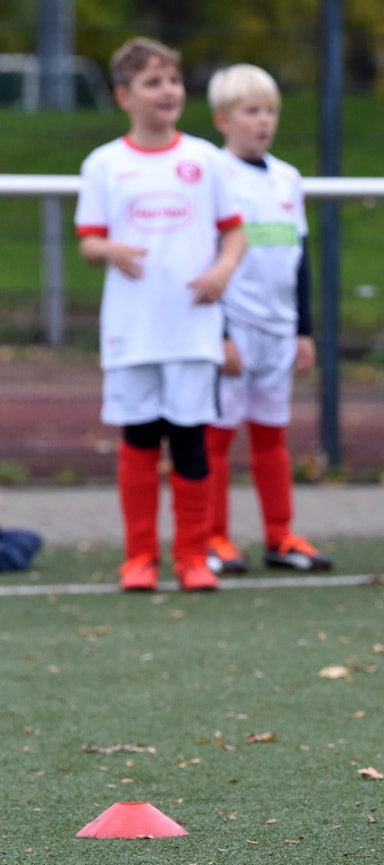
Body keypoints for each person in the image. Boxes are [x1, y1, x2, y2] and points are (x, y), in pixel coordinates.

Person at [75, 36, 245, 593]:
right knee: (139, 441)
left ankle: (192, 557)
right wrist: (111, 250)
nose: (167, 90)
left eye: (172, 79)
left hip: (192, 330)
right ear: (124, 95)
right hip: (133, 331)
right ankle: (138, 558)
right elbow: (89, 242)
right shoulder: (104, 163)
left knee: (191, 442)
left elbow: (233, 233)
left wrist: (222, 270)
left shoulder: (205, 159)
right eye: (152, 82)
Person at [202, 63, 332, 575]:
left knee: (271, 436)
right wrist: (222, 333)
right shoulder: (214, 174)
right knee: (217, 437)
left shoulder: (287, 178)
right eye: (251, 111)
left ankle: (280, 536)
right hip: (233, 331)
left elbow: (298, 259)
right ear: (222, 119)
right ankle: (212, 538)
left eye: (270, 111)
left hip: (279, 333)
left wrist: (302, 329)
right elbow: (205, 256)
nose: (263, 121)